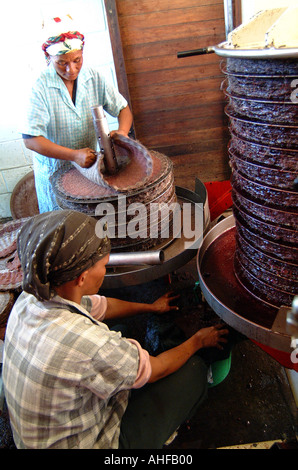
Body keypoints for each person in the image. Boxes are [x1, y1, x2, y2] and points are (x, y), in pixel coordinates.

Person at [2, 210, 228, 449]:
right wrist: (198, 341)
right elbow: (157, 368)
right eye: (104, 265)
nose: (106, 269)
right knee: (193, 373)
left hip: (39, 434)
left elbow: (103, 306)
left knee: (120, 329)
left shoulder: (31, 297)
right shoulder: (92, 345)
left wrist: (151, 307)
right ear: (81, 277)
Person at [22, 15, 133, 213]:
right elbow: (31, 140)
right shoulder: (40, 87)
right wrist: (73, 155)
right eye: (61, 63)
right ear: (49, 58)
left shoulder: (93, 77)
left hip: (88, 169)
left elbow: (123, 109)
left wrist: (122, 132)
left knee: (89, 223)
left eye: (77, 60)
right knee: (62, 228)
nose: (71, 69)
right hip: (54, 172)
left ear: (83, 53)